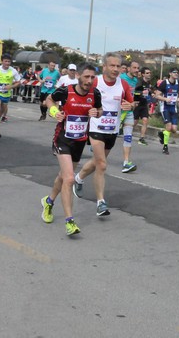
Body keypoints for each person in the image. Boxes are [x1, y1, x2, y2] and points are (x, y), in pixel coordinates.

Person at [41, 64, 102, 235]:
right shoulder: (66, 91)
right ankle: (70, 221)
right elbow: (49, 99)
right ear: (79, 76)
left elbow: (100, 110)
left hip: (79, 141)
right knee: (69, 178)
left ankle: (49, 201)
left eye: (92, 78)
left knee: (63, 176)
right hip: (63, 139)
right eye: (86, 77)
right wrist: (54, 111)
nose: (89, 81)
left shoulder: (94, 94)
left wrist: (97, 113)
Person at [72, 52, 134, 216]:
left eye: (118, 66)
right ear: (104, 66)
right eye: (112, 65)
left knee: (97, 162)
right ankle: (101, 202)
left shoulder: (123, 85)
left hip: (112, 130)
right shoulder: (96, 81)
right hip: (95, 128)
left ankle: (78, 178)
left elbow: (130, 102)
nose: (115, 69)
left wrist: (130, 106)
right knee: (102, 165)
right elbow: (81, 97)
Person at [155, 68, 179, 155]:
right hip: (165, 108)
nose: (176, 74)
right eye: (174, 72)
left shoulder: (178, 83)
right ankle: (165, 147)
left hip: (173, 108)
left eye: (177, 72)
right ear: (170, 73)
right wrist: (165, 99)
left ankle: (162, 134)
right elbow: (157, 95)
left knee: (174, 129)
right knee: (169, 127)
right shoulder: (165, 83)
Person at [118, 61, 140, 172]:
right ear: (129, 69)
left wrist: (133, 104)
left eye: (138, 68)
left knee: (128, 136)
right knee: (109, 135)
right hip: (117, 111)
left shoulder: (135, 80)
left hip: (129, 111)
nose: (137, 70)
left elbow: (132, 95)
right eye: (134, 68)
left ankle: (126, 162)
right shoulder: (120, 78)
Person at [133, 66, 154, 145]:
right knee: (135, 121)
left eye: (150, 73)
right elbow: (135, 92)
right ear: (143, 74)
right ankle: (126, 132)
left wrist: (152, 94)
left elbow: (148, 91)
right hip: (137, 104)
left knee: (145, 121)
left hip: (144, 104)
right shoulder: (139, 82)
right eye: (147, 73)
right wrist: (141, 93)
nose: (149, 74)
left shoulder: (148, 83)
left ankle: (141, 138)